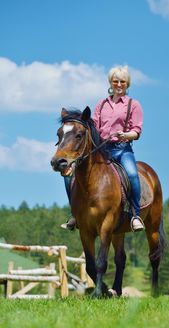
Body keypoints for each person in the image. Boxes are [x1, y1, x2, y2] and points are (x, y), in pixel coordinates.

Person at [61, 65, 144, 232]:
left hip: (122, 148)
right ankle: (75, 214)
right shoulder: (101, 104)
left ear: (127, 84)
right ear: (110, 83)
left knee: (133, 175)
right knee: (68, 176)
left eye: (122, 81)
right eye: (115, 81)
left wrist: (126, 135)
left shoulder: (133, 105)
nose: (119, 84)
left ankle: (135, 214)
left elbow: (137, 130)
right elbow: (94, 127)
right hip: (101, 149)